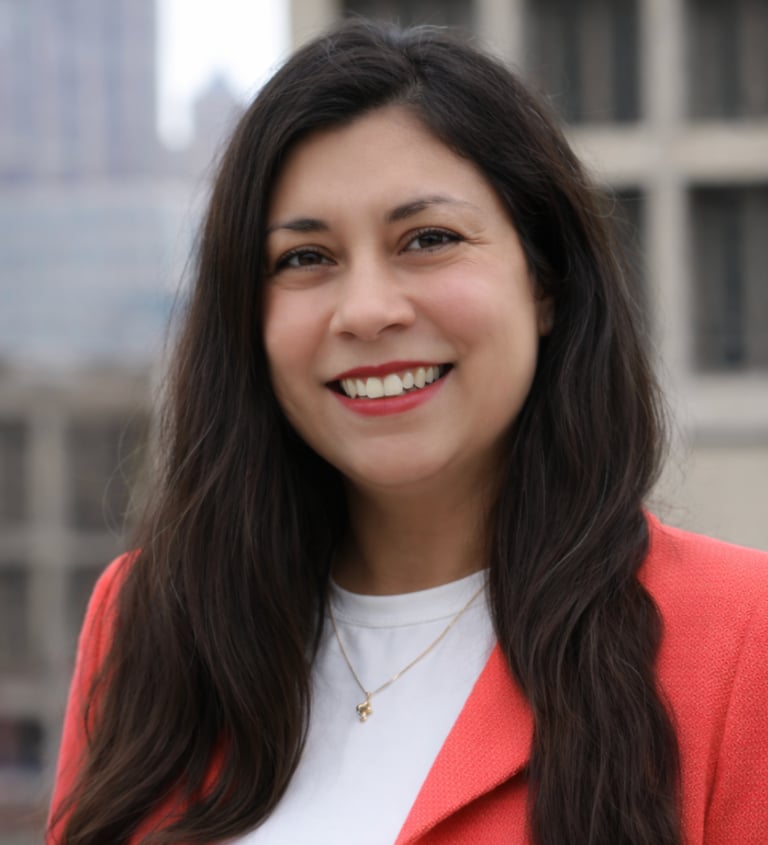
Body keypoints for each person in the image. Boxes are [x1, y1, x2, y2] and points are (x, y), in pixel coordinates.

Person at [47, 19, 768, 845]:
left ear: (546, 282)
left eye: (428, 240)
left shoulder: (746, 639)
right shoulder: (146, 619)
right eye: (305, 257)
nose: (367, 311)